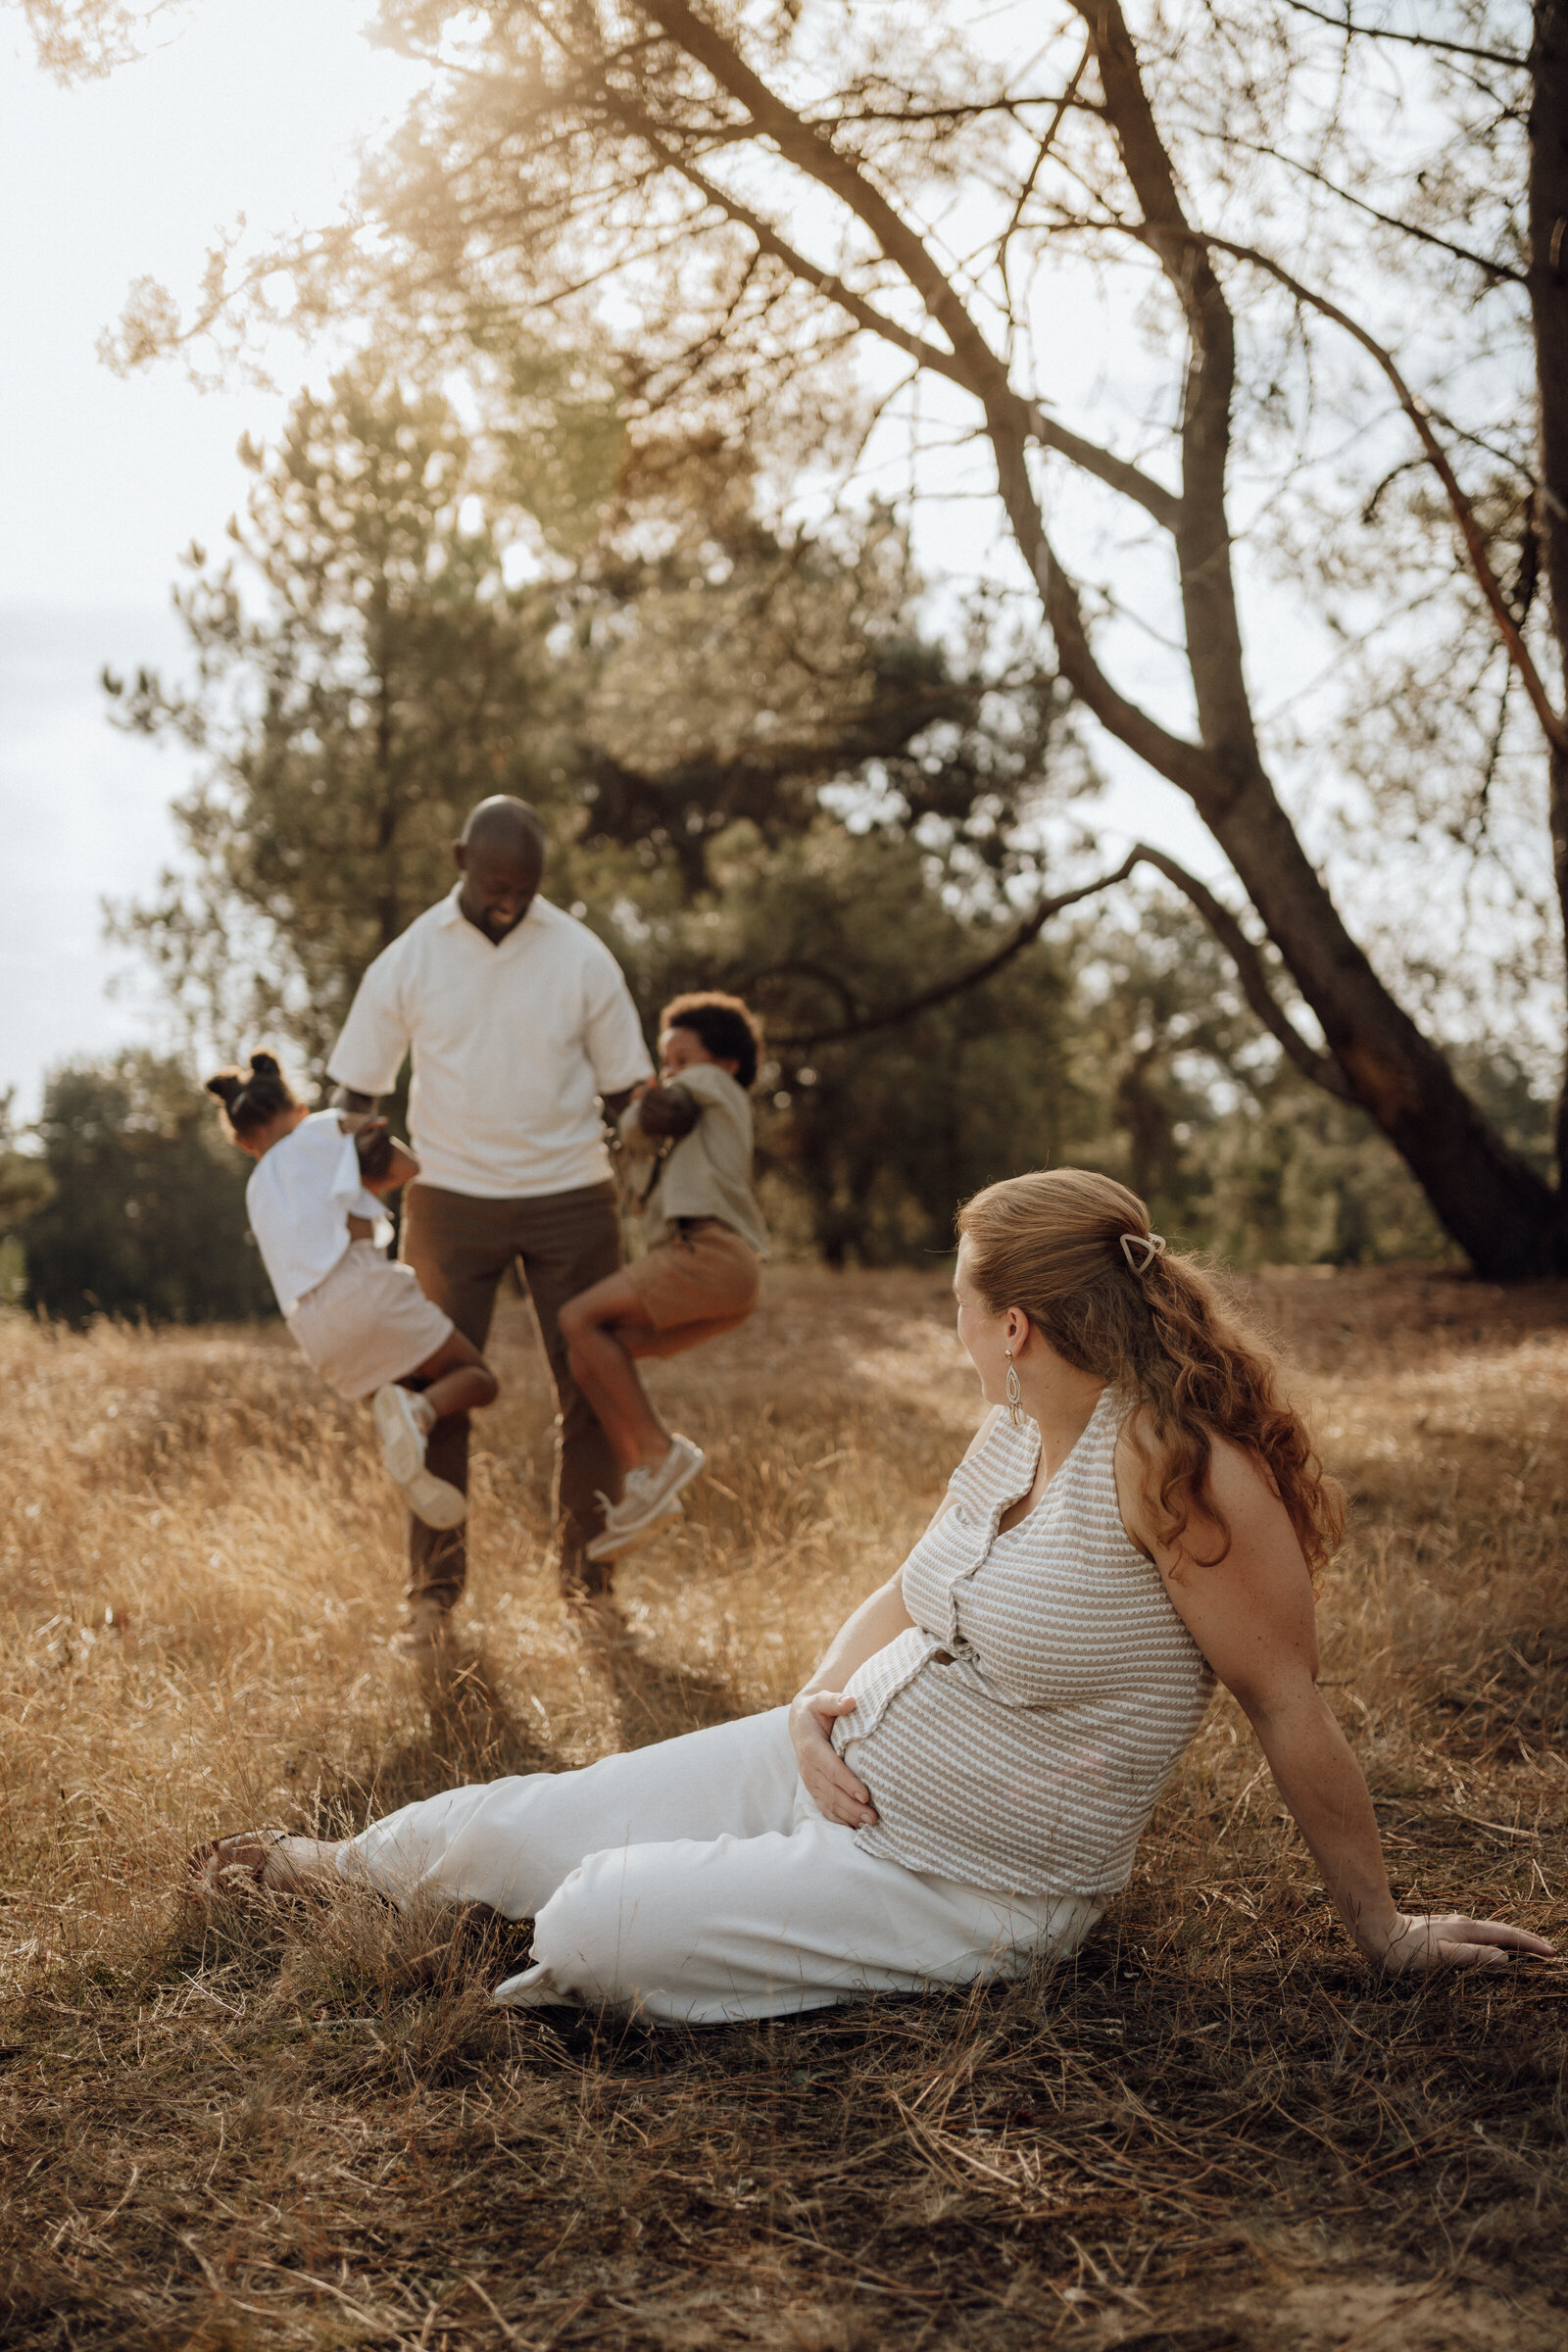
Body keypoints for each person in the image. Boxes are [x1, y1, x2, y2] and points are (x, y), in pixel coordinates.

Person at [187, 1168, 1553, 2022]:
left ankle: (542, 1940)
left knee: (599, 1918)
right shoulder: (1021, 1427)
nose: (951, 1330)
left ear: (1012, 1325)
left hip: (966, 1882)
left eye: (959, 1306)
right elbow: (910, 1585)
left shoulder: (1180, 1477)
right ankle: (324, 1874)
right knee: (524, 1823)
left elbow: (1288, 1704)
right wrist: (807, 1712)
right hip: (838, 1765)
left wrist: (1383, 1931)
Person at [322, 797, 655, 1643]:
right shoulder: (409, 959)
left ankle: (592, 1591)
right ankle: (433, 1598)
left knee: (588, 1381)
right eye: (496, 883)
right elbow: (357, 1090)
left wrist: (674, 1122)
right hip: (447, 1197)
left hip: (572, 1194)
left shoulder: (581, 956)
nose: (510, 899)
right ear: (461, 856)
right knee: (433, 1381)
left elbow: (628, 1093)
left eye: (525, 887)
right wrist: (355, 1171)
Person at [206, 1052, 499, 1559]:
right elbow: (407, 1166)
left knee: (395, 1413)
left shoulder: (255, 1190)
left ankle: (411, 1445)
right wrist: (358, 1137)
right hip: (363, 1289)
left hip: (315, 1331)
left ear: (242, 1141)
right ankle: (424, 1410)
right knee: (478, 1379)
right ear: (295, 1107)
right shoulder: (319, 1130)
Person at [558, 990, 769, 1564]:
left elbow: (648, 1115)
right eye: (665, 1060)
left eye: (682, 1058)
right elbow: (635, 1173)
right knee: (593, 1353)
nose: (669, 1072)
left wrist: (632, 1106)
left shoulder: (719, 1089)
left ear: (725, 1064)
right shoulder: (691, 1133)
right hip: (727, 1275)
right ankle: (644, 1483)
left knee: (574, 1317)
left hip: (709, 1251)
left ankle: (658, 1448)